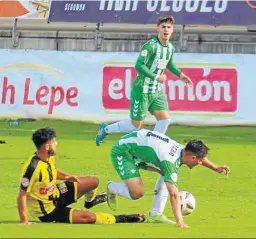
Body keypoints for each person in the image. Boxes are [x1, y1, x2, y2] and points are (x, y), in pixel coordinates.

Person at [95, 16, 193, 223]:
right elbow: (138, 66)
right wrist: (155, 76)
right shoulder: (150, 46)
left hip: (157, 91)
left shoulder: (170, 48)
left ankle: (153, 143)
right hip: (142, 90)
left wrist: (181, 75)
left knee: (165, 120)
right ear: (158, 29)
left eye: (169, 27)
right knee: (134, 125)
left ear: (173, 30)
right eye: (163, 27)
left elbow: (170, 64)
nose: (166, 30)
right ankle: (106, 130)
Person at [104, 129, 230, 228]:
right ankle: (112, 187)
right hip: (124, 152)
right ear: (192, 158)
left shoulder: (183, 150)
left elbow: (200, 156)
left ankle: (155, 214)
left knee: (167, 175)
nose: (201, 163)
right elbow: (174, 195)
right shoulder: (170, 161)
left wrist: (215, 167)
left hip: (139, 147)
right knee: (137, 192)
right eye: (200, 161)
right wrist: (180, 222)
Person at [17, 127, 145, 225]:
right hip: (49, 211)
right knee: (88, 218)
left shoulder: (47, 157)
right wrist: (24, 221)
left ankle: (91, 201)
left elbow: (53, 171)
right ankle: (124, 218)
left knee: (93, 181)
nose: (56, 144)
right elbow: (21, 196)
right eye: (54, 142)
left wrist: (67, 177)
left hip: (57, 193)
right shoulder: (32, 169)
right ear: (46, 146)